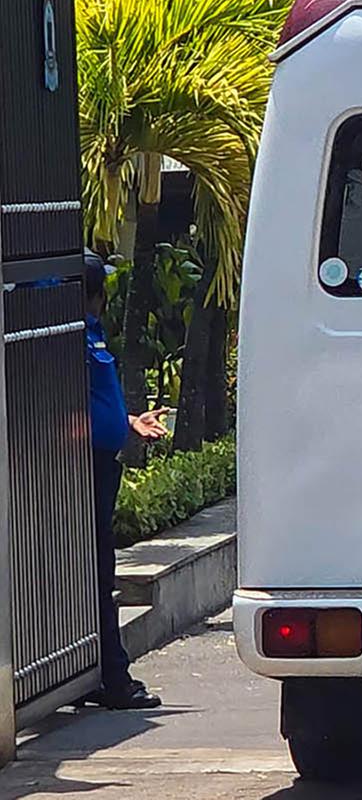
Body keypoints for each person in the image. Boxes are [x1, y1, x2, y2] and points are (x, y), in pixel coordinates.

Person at [82, 251, 166, 710]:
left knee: (95, 569)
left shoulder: (92, 334)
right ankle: (113, 677)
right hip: (79, 470)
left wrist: (128, 420)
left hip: (102, 461)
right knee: (95, 571)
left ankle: (94, 672)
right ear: (96, 293)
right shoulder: (67, 338)